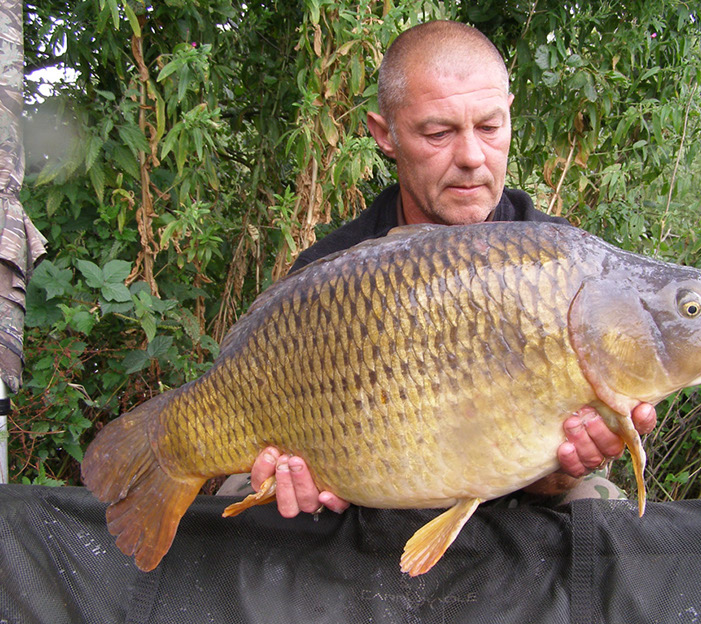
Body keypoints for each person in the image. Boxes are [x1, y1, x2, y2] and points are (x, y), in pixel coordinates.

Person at [218, 20, 656, 515]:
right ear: (385, 135)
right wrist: (295, 481)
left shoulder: (559, 264)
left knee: (603, 504)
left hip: (503, 501)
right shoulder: (327, 277)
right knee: (242, 493)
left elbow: (544, 468)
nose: (472, 156)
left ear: (509, 115)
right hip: (369, 499)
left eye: (489, 127)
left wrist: (564, 468)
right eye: (438, 132)